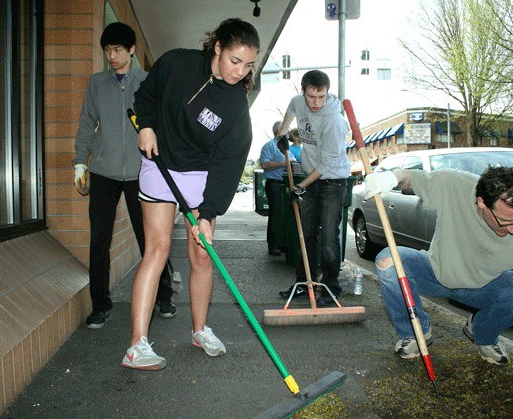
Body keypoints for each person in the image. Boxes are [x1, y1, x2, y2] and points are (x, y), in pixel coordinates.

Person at [122, 18, 259, 370]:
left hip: (200, 175)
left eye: (248, 65)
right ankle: (137, 344)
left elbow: (228, 167)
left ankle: (199, 330)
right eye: (234, 61)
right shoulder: (176, 63)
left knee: (202, 254)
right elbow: (146, 97)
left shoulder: (235, 107)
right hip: (160, 161)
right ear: (218, 47)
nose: (240, 72)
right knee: (158, 248)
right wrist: (147, 126)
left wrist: (209, 213)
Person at [364, 165, 513, 386]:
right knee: (388, 261)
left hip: (483, 288)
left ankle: (484, 333)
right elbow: (409, 177)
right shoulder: (455, 185)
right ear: (481, 203)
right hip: (437, 273)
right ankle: (416, 332)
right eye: (505, 221)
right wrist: (392, 177)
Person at [72, 22, 176, 330]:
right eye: (107, 51)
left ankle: (164, 295)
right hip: (103, 172)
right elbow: (86, 124)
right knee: (99, 240)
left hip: (139, 172)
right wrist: (81, 162)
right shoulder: (96, 83)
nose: (112, 56)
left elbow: (160, 126)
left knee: (150, 239)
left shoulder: (147, 82)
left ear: (131, 49)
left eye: (117, 50)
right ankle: (100, 304)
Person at [277, 70, 350, 306]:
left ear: (327, 93)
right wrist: (282, 134)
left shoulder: (334, 121)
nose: (316, 103)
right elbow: (290, 110)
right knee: (304, 233)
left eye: (321, 97)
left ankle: (330, 287)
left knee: (329, 237)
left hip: (332, 180)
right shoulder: (299, 102)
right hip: (311, 176)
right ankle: (304, 283)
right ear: (304, 91)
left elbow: (327, 162)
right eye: (311, 97)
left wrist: (300, 186)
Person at [259, 121, 294, 256]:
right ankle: (272, 245)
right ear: (279, 130)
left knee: (285, 214)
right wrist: (284, 163)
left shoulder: (288, 147)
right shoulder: (269, 146)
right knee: (275, 214)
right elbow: (265, 164)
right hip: (274, 184)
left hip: (287, 184)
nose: (289, 132)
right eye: (287, 129)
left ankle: (282, 243)